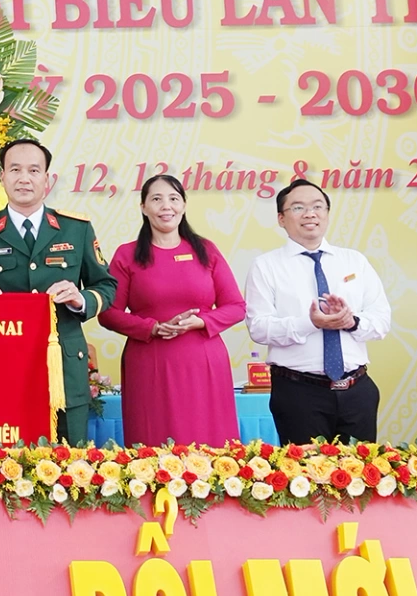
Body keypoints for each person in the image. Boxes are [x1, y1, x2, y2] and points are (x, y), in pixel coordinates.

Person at [0, 138, 116, 444]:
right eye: (15, 170)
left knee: (68, 465)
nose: (24, 178)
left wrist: (80, 299)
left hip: (62, 369)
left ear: (47, 179)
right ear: (2, 178)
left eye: (34, 170)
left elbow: (106, 285)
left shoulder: (76, 229)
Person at [99, 174, 246, 445]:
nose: (166, 206)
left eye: (174, 199)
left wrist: (201, 321)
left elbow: (236, 307)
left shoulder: (206, 250)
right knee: (153, 443)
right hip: (149, 362)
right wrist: (151, 327)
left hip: (203, 361)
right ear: (143, 207)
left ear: (184, 205)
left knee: (209, 445)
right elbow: (108, 313)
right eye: (157, 199)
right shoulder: (127, 254)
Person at [244, 178, 393, 444]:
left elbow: (381, 320)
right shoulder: (266, 266)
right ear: (281, 218)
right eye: (298, 208)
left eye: (318, 206)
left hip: (357, 390)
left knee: (361, 479)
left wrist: (352, 321)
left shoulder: (354, 261)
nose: (310, 214)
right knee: (307, 480)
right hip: (299, 394)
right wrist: (310, 322)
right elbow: (259, 327)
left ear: (326, 213)